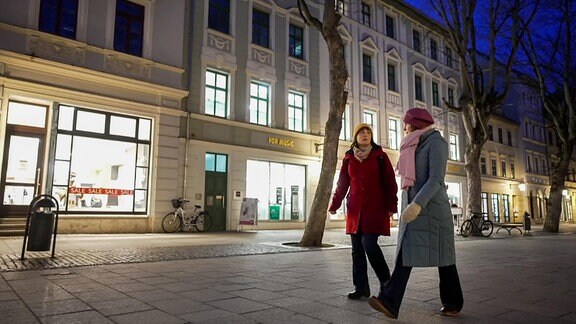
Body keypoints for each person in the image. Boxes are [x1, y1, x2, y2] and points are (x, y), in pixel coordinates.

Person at [368, 108, 464, 319]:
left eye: (406, 123)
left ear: (416, 123)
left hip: (433, 212)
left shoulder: (436, 143)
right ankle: (393, 301)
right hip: (415, 211)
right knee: (409, 251)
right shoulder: (412, 144)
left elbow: (436, 179)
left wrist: (417, 205)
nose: (404, 127)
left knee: (444, 257)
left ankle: (450, 301)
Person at [329, 123, 398, 300]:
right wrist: (334, 205)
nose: (365, 134)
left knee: (369, 244)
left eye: (368, 132)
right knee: (357, 250)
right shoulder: (348, 157)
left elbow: (390, 183)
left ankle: (387, 283)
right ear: (356, 136)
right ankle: (361, 288)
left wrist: (392, 206)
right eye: (361, 132)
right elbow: (342, 183)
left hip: (375, 208)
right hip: (354, 210)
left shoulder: (380, 156)